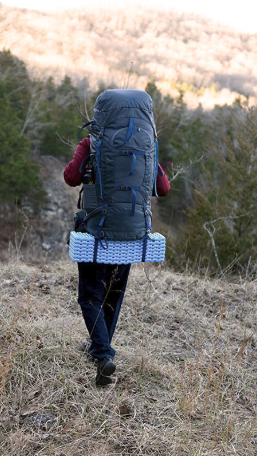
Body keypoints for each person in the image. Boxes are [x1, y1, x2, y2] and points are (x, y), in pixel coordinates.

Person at [64, 135, 170, 386]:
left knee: (90, 296)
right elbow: (163, 188)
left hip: (96, 230)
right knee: (113, 295)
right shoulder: (145, 145)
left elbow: (70, 177)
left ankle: (102, 354)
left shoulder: (90, 142)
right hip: (129, 233)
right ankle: (100, 349)